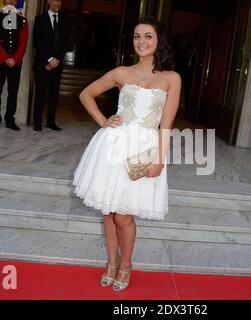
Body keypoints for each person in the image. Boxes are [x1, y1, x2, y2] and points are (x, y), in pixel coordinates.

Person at [73, 16, 181, 292]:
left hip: (144, 148)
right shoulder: (122, 72)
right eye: (136, 36)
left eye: (148, 36)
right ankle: (111, 262)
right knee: (109, 212)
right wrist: (103, 121)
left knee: (124, 215)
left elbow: (166, 124)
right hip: (113, 145)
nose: (141, 41)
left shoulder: (171, 78)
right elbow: (86, 94)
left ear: (159, 41)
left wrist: (159, 159)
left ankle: (126, 264)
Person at [0, 0, 28, 131]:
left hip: (15, 63)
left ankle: (10, 120)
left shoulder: (22, 20)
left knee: (13, 92)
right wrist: (5, 58)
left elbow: (23, 43)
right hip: (0, 61)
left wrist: (15, 59)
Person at [33, 0, 70, 131]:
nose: (58, 3)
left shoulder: (65, 21)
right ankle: (37, 121)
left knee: (54, 93)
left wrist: (56, 60)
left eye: (60, 1)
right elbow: (37, 42)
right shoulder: (40, 19)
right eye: (55, 0)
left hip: (57, 64)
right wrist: (49, 59)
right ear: (49, 2)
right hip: (42, 63)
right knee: (40, 92)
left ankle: (51, 121)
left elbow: (66, 44)